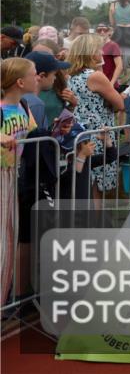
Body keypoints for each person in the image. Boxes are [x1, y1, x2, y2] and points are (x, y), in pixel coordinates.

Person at [66, 34, 125, 203]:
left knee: (85, 181)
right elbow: (120, 104)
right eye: (98, 49)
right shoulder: (94, 76)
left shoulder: (71, 75)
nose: (101, 52)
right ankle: (94, 226)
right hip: (98, 133)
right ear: (91, 53)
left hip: (80, 133)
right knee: (96, 186)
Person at [1, 57, 39, 305]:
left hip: (13, 176)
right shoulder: (3, 108)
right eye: (34, 73)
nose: (38, 77)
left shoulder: (24, 106)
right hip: (2, 176)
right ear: (20, 81)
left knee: (10, 237)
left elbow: (34, 132)